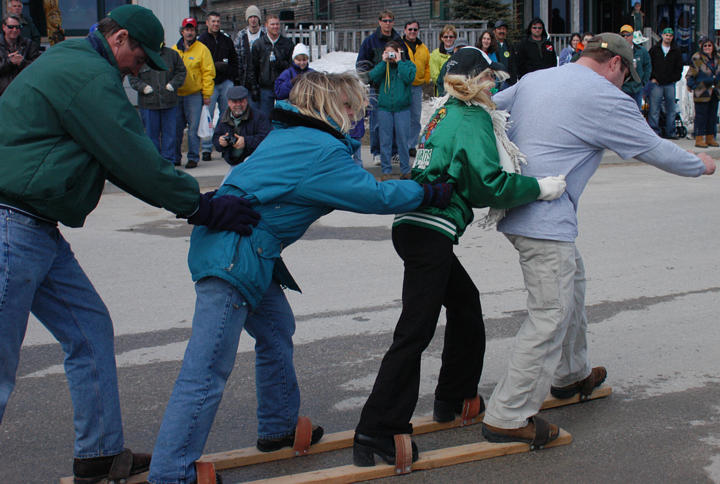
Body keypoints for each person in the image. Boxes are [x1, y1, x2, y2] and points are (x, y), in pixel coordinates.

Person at [146, 70, 454, 484]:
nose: (358, 115)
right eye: (351, 107)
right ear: (332, 107)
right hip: (235, 258)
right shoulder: (321, 150)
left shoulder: (291, 134)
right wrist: (429, 193)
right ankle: (171, 474)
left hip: (242, 251)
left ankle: (277, 427)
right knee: (206, 368)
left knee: (276, 330)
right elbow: (373, 196)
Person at [0, 6, 260, 483]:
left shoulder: (79, 63)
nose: (141, 70)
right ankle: (98, 451)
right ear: (119, 39)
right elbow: (132, 158)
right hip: (10, 223)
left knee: (90, 329)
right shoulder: (88, 75)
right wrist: (199, 206)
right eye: (140, 59)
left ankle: (98, 454)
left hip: (36, 227)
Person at [479, 33, 715, 448]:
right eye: (626, 75)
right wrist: (698, 164)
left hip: (522, 204)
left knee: (573, 285)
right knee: (550, 313)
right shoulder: (606, 96)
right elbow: (652, 148)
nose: (625, 84)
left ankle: (570, 374)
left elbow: (487, 106)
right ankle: (508, 415)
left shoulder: (538, 78)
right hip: (544, 216)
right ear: (614, 65)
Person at [353, 46, 567, 467]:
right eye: (488, 78)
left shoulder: (443, 111)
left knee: (466, 306)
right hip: (429, 231)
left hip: (415, 225)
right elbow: (489, 183)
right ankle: (375, 430)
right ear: (471, 80)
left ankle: (454, 397)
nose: (494, 85)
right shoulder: (471, 117)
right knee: (414, 332)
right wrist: (539, 188)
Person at [356, 10, 403, 161]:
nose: (387, 24)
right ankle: (377, 152)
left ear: (393, 22)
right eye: (385, 20)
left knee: (395, 122)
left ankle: (394, 151)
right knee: (377, 122)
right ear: (380, 22)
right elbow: (361, 64)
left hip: (395, 88)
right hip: (377, 88)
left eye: (390, 21)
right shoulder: (370, 41)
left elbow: (406, 61)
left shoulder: (399, 41)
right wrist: (368, 78)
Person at [128, 46, 187, 164]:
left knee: (170, 135)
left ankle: (168, 162)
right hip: (148, 104)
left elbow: (181, 71)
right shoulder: (139, 55)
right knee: (151, 135)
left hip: (169, 102)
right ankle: (154, 162)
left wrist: (173, 84)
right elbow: (132, 76)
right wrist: (143, 87)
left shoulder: (172, 55)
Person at [369, 40, 415, 181]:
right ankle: (386, 170)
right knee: (385, 141)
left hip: (402, 109)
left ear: (399, 51)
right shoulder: (383, 67)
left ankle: (405, 170)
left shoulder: (408, 65)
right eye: (388, 52)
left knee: (402, 140)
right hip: (385, 109)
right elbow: (373, 77)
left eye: (393, 52)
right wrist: (383, 62)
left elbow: (409, 78)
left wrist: (399, 61)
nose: (391, 55)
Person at [172, 17, 215, 168]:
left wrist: (207, 94)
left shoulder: (202, 49)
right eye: (186, 29)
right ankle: (175, 157)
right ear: (182, 31)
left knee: (193, 129)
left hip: (194, 95)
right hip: (177, 95)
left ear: (195, 31)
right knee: (176, 128)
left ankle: (193, 157)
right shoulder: (174, 50)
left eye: (192, 29)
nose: (189, 32)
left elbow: (208, 73)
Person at [199, 11, 240, 161]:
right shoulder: (202, 41)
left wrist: (228, 72)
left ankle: (223, 144)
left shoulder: (226, 40)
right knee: (207, 117)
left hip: (225, 83)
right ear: (207, 23)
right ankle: (206, 148)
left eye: (218, 21)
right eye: (213, 21)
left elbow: (235, 62)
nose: (216, 24)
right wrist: (215, 67)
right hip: (209, 84)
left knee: (226, 116)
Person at [212, 85, 271, 165]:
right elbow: (216, 138)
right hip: (233, 162)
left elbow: (267, 139)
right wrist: (220, 142)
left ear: (246, 101)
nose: (238, 105)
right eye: (235, 102)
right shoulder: (223, 117)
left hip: (255, 162)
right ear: (229, 102)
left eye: (241, 101)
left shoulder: (259, 117)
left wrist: (246, 141)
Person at [250, 14, 294, 116]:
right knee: (265, 117)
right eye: (272, 24)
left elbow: (292, 66)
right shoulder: (258, 44)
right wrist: (254, 87)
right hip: (265, 88)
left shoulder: (287, 43)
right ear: (266, 25)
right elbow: (253, 67)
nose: (275, 27)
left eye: (277, 24)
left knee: (284, 117)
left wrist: (279, 63)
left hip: (283, 87)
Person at [648, 28, 683, 138]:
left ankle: (670, 132)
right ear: (662, 35)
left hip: (670, 84)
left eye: (670, 35)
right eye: (666, 35)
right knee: (654, 109)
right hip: (656, 84)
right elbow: (649, 65)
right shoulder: (654, 50)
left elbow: (679, 68)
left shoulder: (676, 51)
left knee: (671, 109)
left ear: (672, 37)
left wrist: (674, 78)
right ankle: (654, 132)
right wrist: (652, 77)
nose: (668, 37)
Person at [685, 36, 720, 148]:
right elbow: (690, 74)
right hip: (702, 90)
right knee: (701, 116)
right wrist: (693, 86)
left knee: (712, 116)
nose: (707, 48)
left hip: (715, 90)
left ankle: (710, 137)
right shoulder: (697, 57)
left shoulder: (717, 57)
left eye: (709, 45)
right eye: (705, 46)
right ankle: (699, 138)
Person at [402, 20, 430, 157]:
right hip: (402, 86)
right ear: (405, 30)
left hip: (417, 86)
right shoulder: (400, 45)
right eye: (410, 29)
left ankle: (411, 145)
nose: (412, 32)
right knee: (402, 116)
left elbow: (427, 65)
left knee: (415, 117)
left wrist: (426, 78)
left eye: (415, 30)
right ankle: (401, 145)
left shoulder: (423, 47)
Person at [0, 13, 40, 96]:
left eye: (18, 27)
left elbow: (38, 66)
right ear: (4, 27)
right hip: (2, 93)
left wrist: (22, 62)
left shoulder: (29, 44)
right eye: (11, 27)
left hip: (24, 92)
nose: (14, 30)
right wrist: (9, 62)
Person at [235, 4, 264, 108]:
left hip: (262, 78)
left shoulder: (265, 34)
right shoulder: (241, 35)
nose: (253, 19)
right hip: (246, 79)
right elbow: (237, 58)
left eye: (255, 17)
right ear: (247, 19)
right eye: (250, 17)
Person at [620, 26, 651, 109]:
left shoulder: (641, 51)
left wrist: (643, 82)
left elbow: (647, 67)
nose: (625, 37)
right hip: (623, 87)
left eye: (628, 35)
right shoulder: (617, 51)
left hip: (637, 88)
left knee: (637, 112)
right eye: (623, 35)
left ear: (632, 36)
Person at [429, 24, 457, 94]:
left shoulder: (459, 53)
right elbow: (435, 76)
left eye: (451, 37)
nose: (448, 39)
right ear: (441, 38)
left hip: (457, 90)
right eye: (445, 37)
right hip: (441, 91)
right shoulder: (435, 54)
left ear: (454, 38)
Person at [493, 20, 517, 86]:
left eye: (504, 29)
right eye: (499, 29)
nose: (502, 31)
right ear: (494, 31)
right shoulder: (491, 46)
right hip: (496, 81)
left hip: (508, 81)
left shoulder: (509, 46)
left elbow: (513, 65)